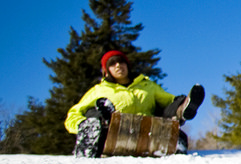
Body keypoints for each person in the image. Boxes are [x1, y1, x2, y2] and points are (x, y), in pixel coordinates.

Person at [65, 50, 204, 158]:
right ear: (106, 70)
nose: (118, 65)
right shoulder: (99, 90)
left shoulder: (146, 85)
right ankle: (90, 135)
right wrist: (82, 125)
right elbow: (74, 114)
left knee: (173, 104)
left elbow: (167, 100)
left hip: (148, 132)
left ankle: (184, 110)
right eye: (112, 64)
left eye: (121, 62)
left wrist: (179, 103)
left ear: (127, 66)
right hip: (112, 134)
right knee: (97, 111)